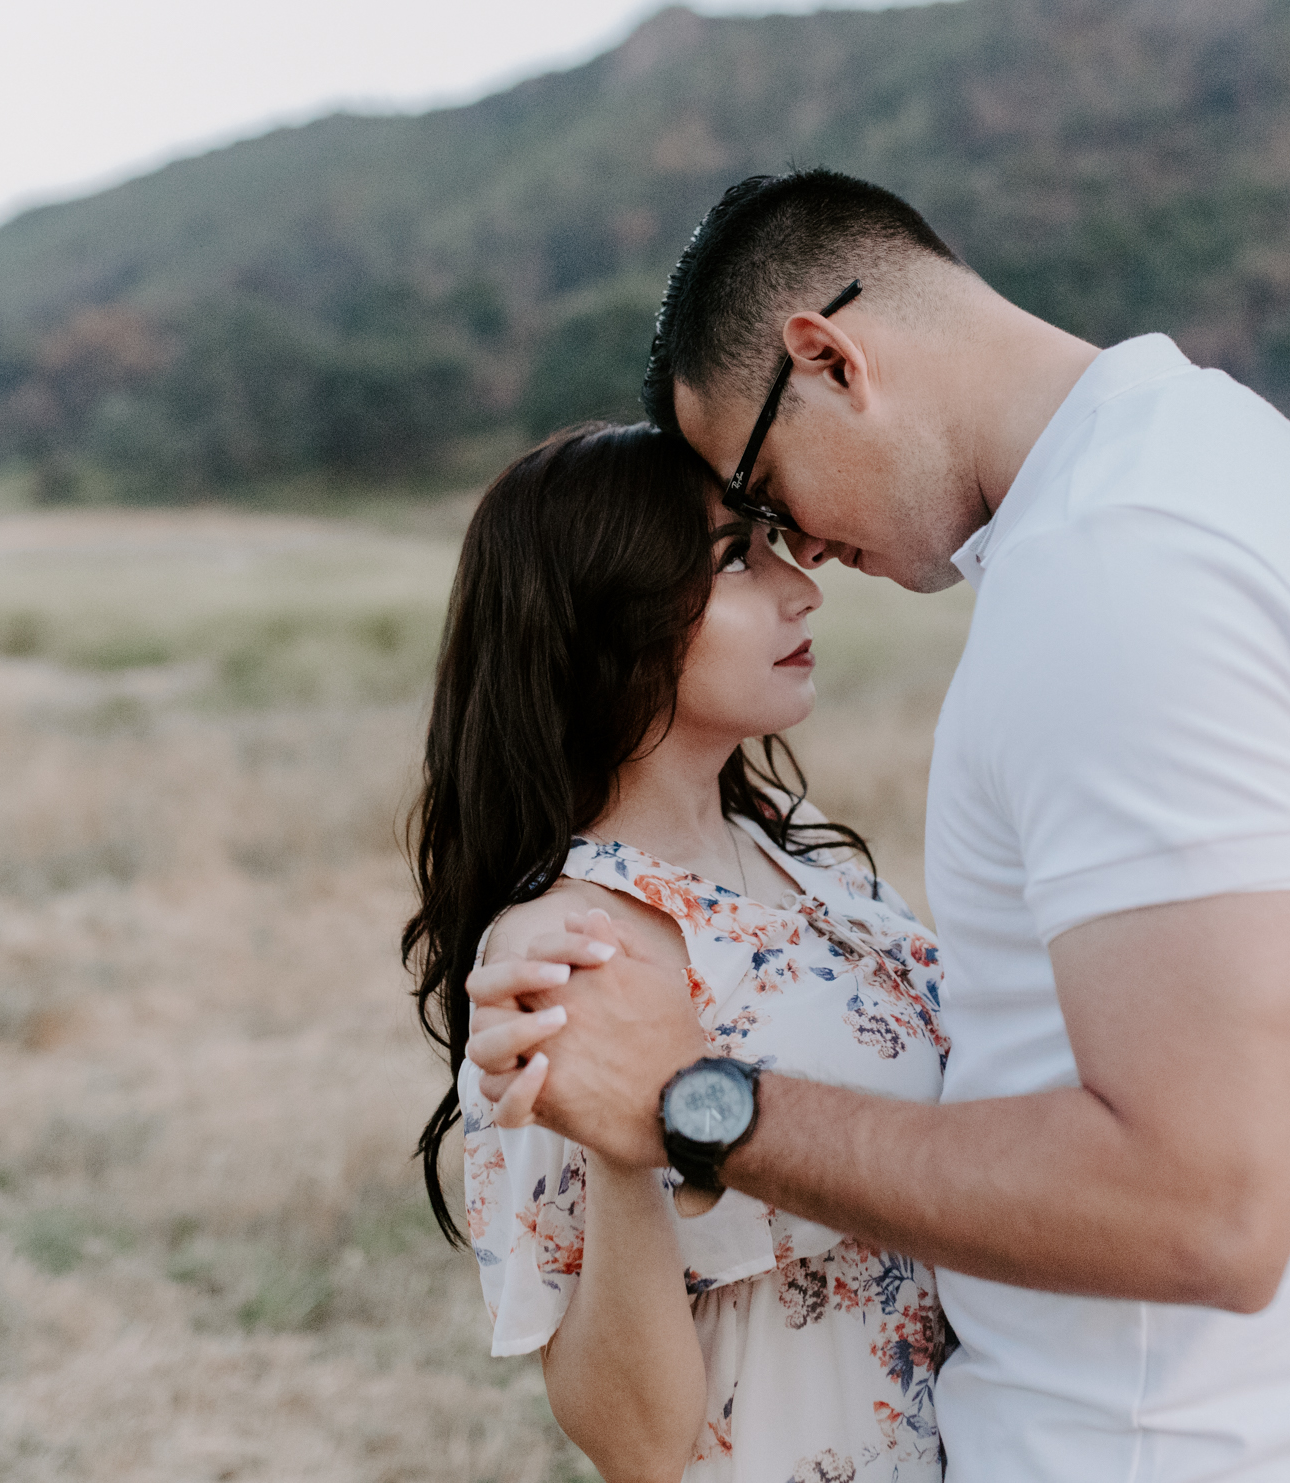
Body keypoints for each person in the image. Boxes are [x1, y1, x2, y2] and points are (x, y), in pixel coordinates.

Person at [468, 169, 1290, 1479]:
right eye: (745, 537)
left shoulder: (1116, 567)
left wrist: (698, 1103)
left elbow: (1204, 1198)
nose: (805, 556)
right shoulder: (1232, 466)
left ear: (830, 359)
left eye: (765, 489)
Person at [402, 421, 951, 1483]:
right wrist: (628, 1143)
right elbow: (633, 1442)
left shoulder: (790, 843)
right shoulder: (569, 951)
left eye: (777, 545)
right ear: (606, 615)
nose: (803, 590)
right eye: (736, 557)